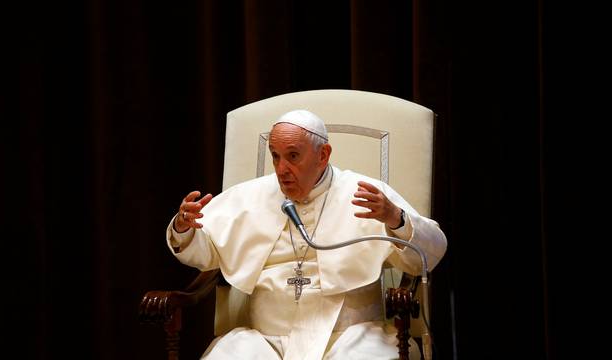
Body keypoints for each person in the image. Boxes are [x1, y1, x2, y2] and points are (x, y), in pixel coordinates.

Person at [166, 109, 447, 360]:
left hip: (350, 334)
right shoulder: (249, 196)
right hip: (266, 338)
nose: (281, 169)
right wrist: (185, 229)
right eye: (275, 156)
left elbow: (429, 254)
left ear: (323, 155)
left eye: (293, 156)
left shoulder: (366, 194)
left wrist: (395, 219)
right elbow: (207, 254)